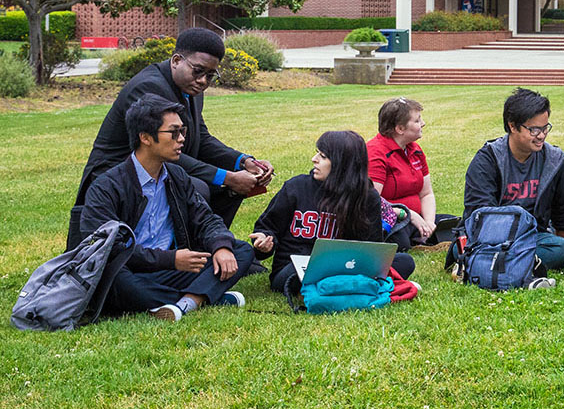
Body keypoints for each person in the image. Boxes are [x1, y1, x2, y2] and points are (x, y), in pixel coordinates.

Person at [74, 28, 273, 235]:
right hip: (118, 174)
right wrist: (227, 177)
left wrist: (243, 161)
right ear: (177, 60)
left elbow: (201, 139)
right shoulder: (150, 88)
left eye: (210, 75)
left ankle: (213, 246)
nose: (203, 80)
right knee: (198, 187)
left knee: (228, 188)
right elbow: (160, 151)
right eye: (198, 71)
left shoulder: (191, 89)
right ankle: (181, 253)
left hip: (160, 168)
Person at [78, 95, 255, 322]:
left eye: (183, 131)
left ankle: (183, 304)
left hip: (171, 270)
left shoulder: (176, 175)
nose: (181, 139)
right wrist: (170, 259)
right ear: (145, 137)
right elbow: (109, 249)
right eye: (173, 133)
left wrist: (221, 246)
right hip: (131, 270)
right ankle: (203, 297)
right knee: (115, 279)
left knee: (240, 251)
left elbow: (206, 219)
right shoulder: (107, 186)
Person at [250, 130, 416, 295]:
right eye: (317, 154)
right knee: (293, 274)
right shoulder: (296, 187)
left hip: (345, 265)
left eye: (323, 156)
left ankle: (339, 285)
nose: (314, 160)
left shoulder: (366, 196)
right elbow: (267, 227)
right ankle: (350, 286)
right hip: (295, 268)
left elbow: (372, 249)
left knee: (405, 262)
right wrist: (264, 242)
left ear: (342, 164)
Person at [460, 88, 564, 271]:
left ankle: (490, 263)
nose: (542, 135)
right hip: (492, 238)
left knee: (560, 249)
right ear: (513, 126)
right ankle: (505, 261)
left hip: (533, 237)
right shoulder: (488, 159)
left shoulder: (556, 160)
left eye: (545, 128)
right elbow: (479, 212)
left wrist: (561, 245)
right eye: (534, 130)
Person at [367, 97, 456, 251]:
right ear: (400, 129)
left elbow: (426, 193)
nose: (423, 124)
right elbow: (373, 202)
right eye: (417, 120)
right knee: (399, 241)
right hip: (392, 219)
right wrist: (409, 215)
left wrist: (429, 222)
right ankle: (422, 241)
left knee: (456, 224)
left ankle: (426, 237)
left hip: (418, 219)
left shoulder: (415, 150)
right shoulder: (376, 153)